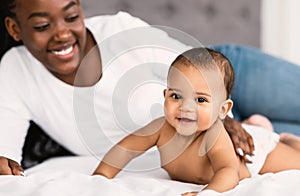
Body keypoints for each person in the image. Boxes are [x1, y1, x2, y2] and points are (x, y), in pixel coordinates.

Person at [0, 0, 299, 176]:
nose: (63, 34)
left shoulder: (118, 29)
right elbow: (6, 154)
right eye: (42, 26)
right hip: (216, 131)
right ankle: (261, 126)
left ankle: (253, 123)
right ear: (15, 29)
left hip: (223, 73)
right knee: (278, 144)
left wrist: (225, 120)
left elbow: (194, 69)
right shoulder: (15, 71)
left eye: (72, 16)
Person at [93, 48, 300, 195]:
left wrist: (208, 193)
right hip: (241, 132)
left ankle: (285, 139)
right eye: (176, 96)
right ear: (165, 95)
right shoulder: (160, 128)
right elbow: (126, 148)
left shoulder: (213, 135)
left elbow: (229, 171)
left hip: (255, 154)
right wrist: (100, 176)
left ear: (223, 109)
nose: (186, 107)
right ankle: (256, 123)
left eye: (200, 100)